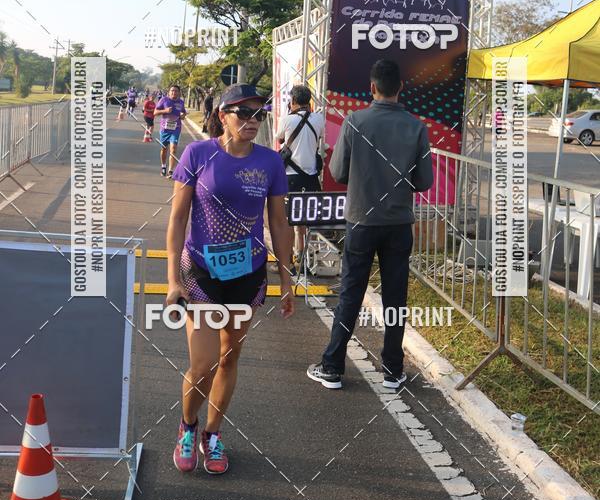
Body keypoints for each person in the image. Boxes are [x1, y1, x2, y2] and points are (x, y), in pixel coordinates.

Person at [166, 83, 294, 474]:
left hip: (248, 275)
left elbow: (279, 221)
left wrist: (286, 277)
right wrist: (172, 280)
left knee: (228, 358)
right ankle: (187, 427)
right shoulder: (197, 154)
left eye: (259, 114)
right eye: (243, 113)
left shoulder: (270, 162)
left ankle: (213, 433)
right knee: (202, 363)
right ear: (223, 117)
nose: (253, 121)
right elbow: (177, 220)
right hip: (202, 273)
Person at [307, 59, 434, 390]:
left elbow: (337, 172)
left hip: (361, 221)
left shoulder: (355, 121)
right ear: (400, 88)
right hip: (398, 223)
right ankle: (393, 370)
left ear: (372, 87)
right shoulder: (416, 127)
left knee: (351, 292)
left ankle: (332, 366)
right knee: (395, 297)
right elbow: (424, 182)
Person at [276, 85, 324, 266]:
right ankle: (302, 258)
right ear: (309, 101)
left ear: (293, 101)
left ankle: (287, 262)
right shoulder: (319, 119)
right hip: (311, 177)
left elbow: (279, 138)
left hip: (290, 177)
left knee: (287, 221)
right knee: (303, 221)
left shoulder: (287, 120)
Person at [155, 85, 187, 177]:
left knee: (173, 149)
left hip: (176, 129)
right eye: (172, 91)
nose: (174, 92)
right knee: (164, 149)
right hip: (164, 129)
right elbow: (155, 112)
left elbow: (183, 113)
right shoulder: (164, 100)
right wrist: (165, 110)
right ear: (169, 92)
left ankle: (171, 171)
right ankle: (164, 166)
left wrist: (183, 115)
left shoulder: (181, 102)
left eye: (176, 91)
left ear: (179, 92)